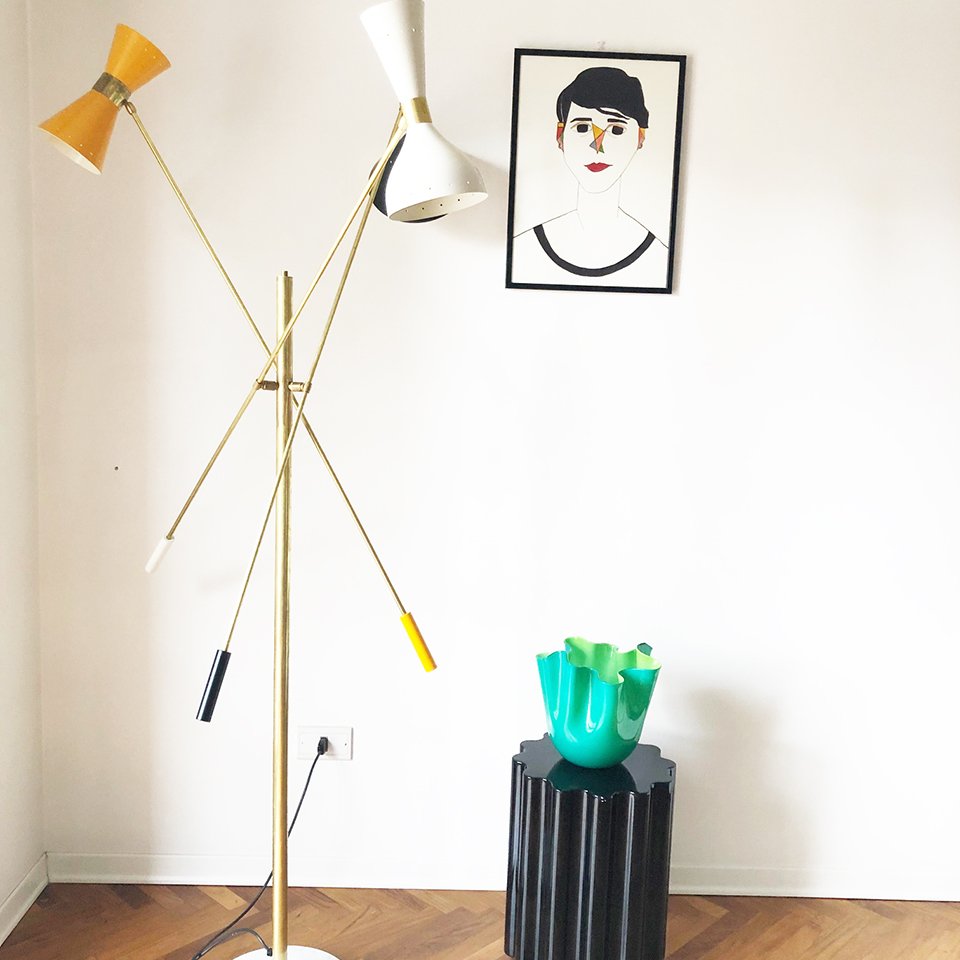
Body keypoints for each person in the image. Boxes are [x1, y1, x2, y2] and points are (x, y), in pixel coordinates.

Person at [511, 66, 669, 287]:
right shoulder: (524, 249)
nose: (597, 147)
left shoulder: (658, 258)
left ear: (640, 138)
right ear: (560, 135)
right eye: (582, 127)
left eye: (616, 130)